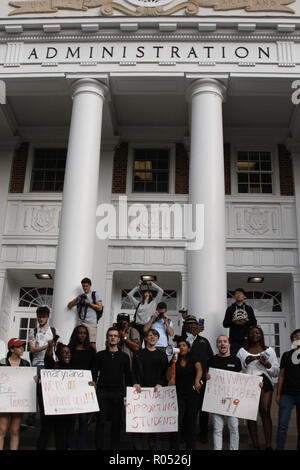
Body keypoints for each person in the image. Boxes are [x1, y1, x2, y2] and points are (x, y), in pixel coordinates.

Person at [237, 326, 279, 450]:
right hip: (249, 382)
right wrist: (246, 363)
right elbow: (238, 370)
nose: (255, 335)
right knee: (250, 413)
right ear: (248, 336)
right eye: (252, 333)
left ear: (261, 335)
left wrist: (268, 365)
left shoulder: (269, 350)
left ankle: (268, 445)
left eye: (257, 333)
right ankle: (255, 444)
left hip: (264, 380)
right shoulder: (242, 351)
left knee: (265, 411)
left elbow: (276, 372)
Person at [37, 341, 84, 450]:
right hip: (51, 408)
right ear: (58, 356)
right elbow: (48, 357)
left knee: (62, 435)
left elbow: (80, 385)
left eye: (68, 352)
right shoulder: (53, 366)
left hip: (65, 410)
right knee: (46, 432)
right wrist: (50, 346)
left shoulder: (74, 369)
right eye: (64, 353)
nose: (67, 354)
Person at [92, 327, 131, 450]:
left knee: (116, 423)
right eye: (110, 335)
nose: (113, 337)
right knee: (101, 422)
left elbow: (128, 376)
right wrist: (92, 383)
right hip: (102, 392)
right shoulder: (100, 355)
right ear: (107, 338)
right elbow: (94, 373)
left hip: (118, 393)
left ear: (119, 339)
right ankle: (99, 447)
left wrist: (131, 390)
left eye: (115, 335)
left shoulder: (124, 357)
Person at [132, 328, 169, 450]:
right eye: (150, 335)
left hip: (155, 394)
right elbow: (134, 372)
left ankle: (154, 448)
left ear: (158, 339)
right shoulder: (138, 354)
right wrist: (135, 383)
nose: (152, 337)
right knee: (139, 422)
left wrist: (161, 384)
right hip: (140, 392)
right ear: (146, 338)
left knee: (154, 424)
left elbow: (165, 374)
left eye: (155, 336)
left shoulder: (162, 355)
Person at [207, 335, 242, 450]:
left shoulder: (236, 360)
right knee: (217, 428)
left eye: (225, 342)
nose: (222, 344)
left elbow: (241, 379)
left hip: (232, 400)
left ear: (229, 344)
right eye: (220, 342)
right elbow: (208, 377)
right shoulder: (212, 360)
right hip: (217, 400)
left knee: (234, 428)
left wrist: (256, 385)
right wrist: (207, 376)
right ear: (217, 345)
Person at [167, 338, 203, 450]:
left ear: (188, 348)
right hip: (178, 394)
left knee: (191, 421)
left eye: (184, 345)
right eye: (179, 345)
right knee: (177, 421)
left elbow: (199, 370)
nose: (181, 347)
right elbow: (168, 377)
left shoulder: (193, 358)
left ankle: (190, 447)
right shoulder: (175, 360)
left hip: (192, 393)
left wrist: (197, 380)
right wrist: (172, 363)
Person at [0, 338, 36, 450]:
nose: (22, 348)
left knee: (15, 430)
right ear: (12, 349)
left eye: (22, 346)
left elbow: (28, 381)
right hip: (5, 401)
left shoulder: (26, 364)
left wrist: (34, 379)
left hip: (18, 401)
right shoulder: (2, 363)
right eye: (19, 346)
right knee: (2, 430)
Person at [183, 315, 213, 443]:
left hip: (202, 380)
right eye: (189, 323)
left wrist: (208, 372)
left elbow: (210, 358)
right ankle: (187, 434)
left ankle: (203, 434)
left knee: (203, 409)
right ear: (185, 326)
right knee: (188, 409)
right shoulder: (181, 340)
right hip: (186, 379)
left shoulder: (204, 341)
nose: (192, 325)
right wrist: (191, 338)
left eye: (194, 323)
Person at [26, 305, 57, 427]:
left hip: (50, 363)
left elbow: (57, 348)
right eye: (39, 317)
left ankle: (49, 416)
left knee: (49, 391)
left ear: (48, 317)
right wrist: (47, 345)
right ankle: (31, 417)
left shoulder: (54, 331)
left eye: (43, 317)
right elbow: (32, 349)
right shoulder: (33, 331)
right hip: (37, 364)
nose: (41, 319)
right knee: (34, 391)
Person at [67, 325, 96, 449]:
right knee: (71, 420)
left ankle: (80, 446)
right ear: (76, 334)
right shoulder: (69, 349)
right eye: (79, 333)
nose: (82, 335)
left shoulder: (90, 351)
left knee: (84, 420)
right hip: (71, 387)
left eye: (84, 333)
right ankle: (68, 445)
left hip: (85, 388)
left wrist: (93, 381)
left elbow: (93, 368)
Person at [276, 329, 300, 450]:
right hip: (287, 394)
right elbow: (281, 375)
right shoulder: (286, 355)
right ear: (292, 340)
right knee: (282, 426)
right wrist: (278, 394)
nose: (298, 339)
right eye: (295, 337)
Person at [67, 277, 103, 351]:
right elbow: (69, 306)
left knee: (92, 344)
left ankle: (94, 360)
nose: (85, 288)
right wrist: (77, 300)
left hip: (91, 323)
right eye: (83, 286)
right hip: (81, 323)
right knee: (78, 342)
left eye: (86, 286)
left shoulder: (95, 294)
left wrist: (89, 303)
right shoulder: (81, 296)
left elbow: (100, 308)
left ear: (90, 286)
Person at [127, 279, 164, 346]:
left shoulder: (154, 303)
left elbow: (161, 291)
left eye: (149, 292)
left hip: (148, 327)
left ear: (151, 294)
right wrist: (138, 286)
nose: (147, 292)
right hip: (138, 327)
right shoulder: (138, 304)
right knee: (137, 346)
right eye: (145, 292)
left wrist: (152, 284)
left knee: (149, 345)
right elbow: (129, 295)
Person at [223, 288, 257, 356]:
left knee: (246, 358)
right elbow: (225, 324)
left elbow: (254, 323)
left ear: (244, 297)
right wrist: (233, 321)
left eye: (240, 293)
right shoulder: (230, 309)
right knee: (235, 358)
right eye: (236, 294)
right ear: (234, 296)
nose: (238, 295)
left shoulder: (248, 308)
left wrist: (247, 320)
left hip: (246, 339)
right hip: (234, 339)